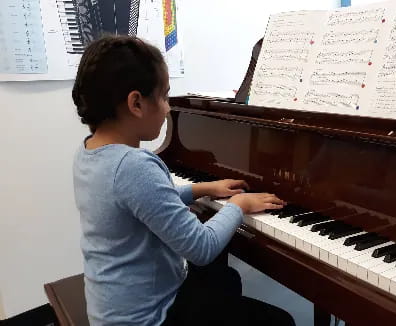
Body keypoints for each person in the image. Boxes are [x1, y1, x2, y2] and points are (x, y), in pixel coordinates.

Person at [71, 35, 296, 326]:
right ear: (136, 103)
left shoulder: (90, 151)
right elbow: (201, 248)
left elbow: (146, 202)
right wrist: (238, 205)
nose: (167, 108)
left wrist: (203, 188)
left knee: (225, 278)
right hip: (149, 317)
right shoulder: (134, 166)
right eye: (164, 96)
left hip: (114, 307)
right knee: (280, 321)